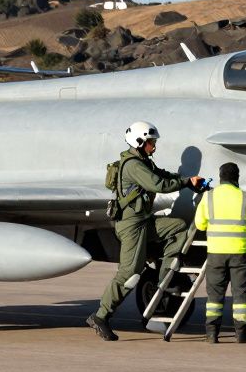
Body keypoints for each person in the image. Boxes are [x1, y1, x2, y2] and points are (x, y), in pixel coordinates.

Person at [86, 121, 203, 341]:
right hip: (131, 225)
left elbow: (164, 174)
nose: (154, 147)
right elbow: (158, 185)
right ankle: (100, 316)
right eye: (151, 142)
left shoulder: (144, 161)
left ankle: (165, 277)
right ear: (139, 142)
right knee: (130, 273)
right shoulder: (133, 165)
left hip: (144, 221)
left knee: (177, 226)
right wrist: (186, 182)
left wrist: (189, 181)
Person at [194, 162, 246, 343]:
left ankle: (212, 334)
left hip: (216, 253)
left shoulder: (208, 197)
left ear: (220, 176)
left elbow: (200, 224)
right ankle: (241, 334)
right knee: (241, 295)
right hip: (240, 253)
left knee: (214, 295)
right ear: (237, 177)